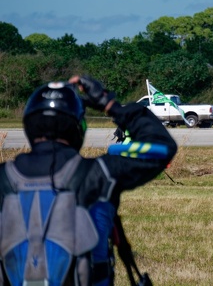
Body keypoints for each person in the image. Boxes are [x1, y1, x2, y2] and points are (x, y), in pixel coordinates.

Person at [0, 75, 177, 286]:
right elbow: (162, 148)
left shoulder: (3, 177)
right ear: (78, 128)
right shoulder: (100, 172)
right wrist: (109, 104)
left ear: (29, 125)